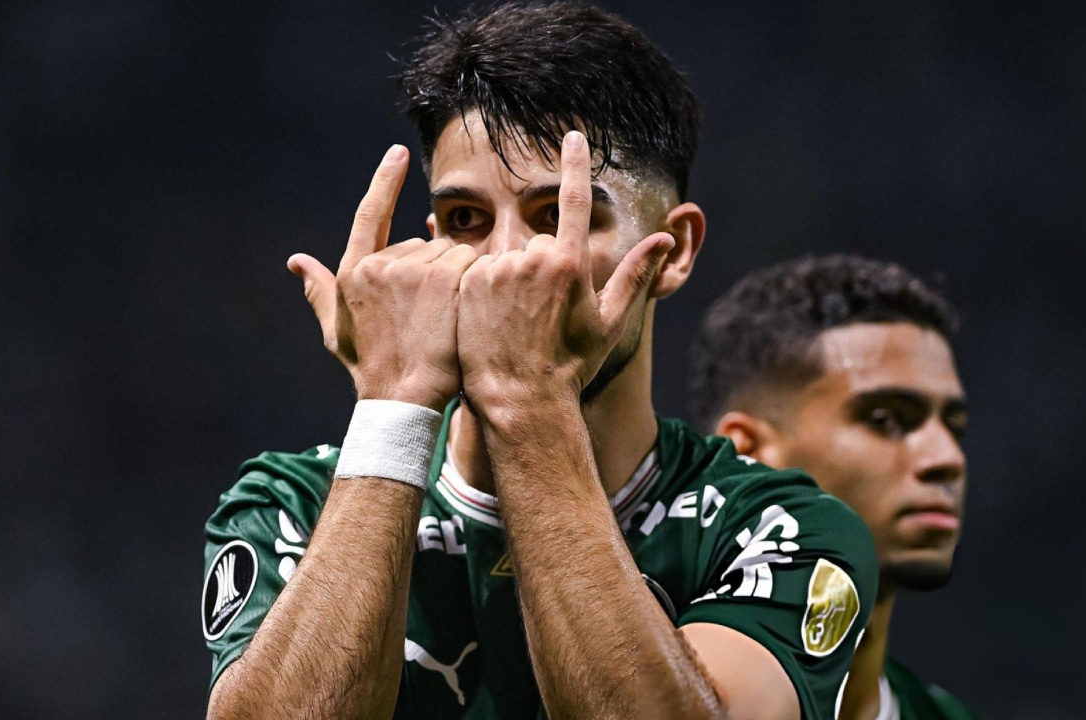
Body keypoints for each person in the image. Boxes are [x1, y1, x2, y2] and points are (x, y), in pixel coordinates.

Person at [201, 5, 876, 719]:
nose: (503, 263)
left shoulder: (784, 529)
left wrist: (527, 405)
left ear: (673, 251)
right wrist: (392, 410)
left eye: (559, 215)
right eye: (465, 220)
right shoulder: (294, 502)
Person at [689, 255, 980, 720]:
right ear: (748, 453)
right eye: (886, 420)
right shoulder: (605, 677)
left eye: (954, 426)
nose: (946, 459)